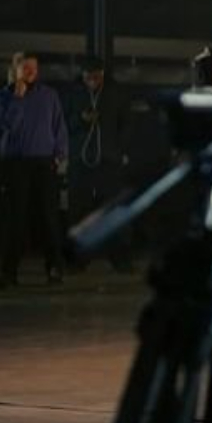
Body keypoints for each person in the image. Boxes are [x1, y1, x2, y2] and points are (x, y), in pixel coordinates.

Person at [0, 52, 67, 285]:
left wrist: (60, 154)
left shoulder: (49, 94)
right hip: (15, 163)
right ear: (15, 69)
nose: (31, 71)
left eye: (34, 67)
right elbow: (6, 126)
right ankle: (9, 271)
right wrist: (18, 98)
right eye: (26, 67)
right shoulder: (2, 96)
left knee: (48, 216)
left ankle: (54, 267)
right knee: (15, 218)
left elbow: (59, 125)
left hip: (44, 162)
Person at [64, 61, 131, 272]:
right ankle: (78, 259)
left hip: (108, 159)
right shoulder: (73, 93)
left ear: (102, 75)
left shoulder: (115, 93)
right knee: (78, 210)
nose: (92, 81)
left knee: (113, 209)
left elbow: (126, 123)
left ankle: (119, 258)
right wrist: (81, 119)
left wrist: (121, 150)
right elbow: (63, 123)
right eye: (88, 77)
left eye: (96, 76)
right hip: (81, 159)